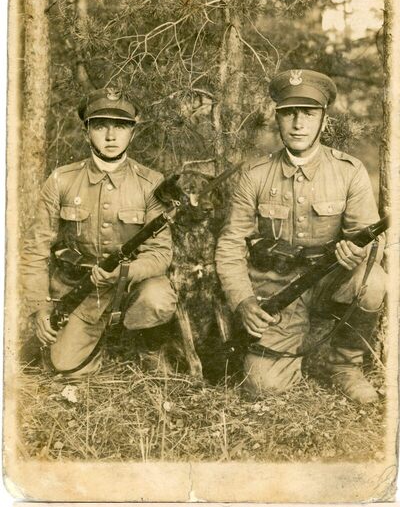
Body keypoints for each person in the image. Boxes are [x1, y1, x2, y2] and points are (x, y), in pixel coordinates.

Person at [215, 69, 386, 404]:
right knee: (263, 387)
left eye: (308, 114)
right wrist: (244, 301)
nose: (298, 124)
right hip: (276, 288)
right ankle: (282, 348)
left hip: (328, 282)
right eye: (289, 113)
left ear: (323, 120)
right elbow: (231, 245)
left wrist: (359, 256)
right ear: (277, 118)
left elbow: (368, 238)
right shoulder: (254, 176)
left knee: (374, 282)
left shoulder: (349, 172)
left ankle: (346, 366)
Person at [21, 88, 177, 378]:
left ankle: (144, 346)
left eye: (120, 126)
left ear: (132, 132)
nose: (110, 136)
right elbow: (35, 249)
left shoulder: (151, 183)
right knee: (63, 368)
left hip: (128, 289)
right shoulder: (61, 180)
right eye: (100, 125)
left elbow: (160, 254)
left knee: (158, 296)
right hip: (79, 292)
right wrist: (40, 307)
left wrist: (124, 272)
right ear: (86, 131)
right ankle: (94, 342)